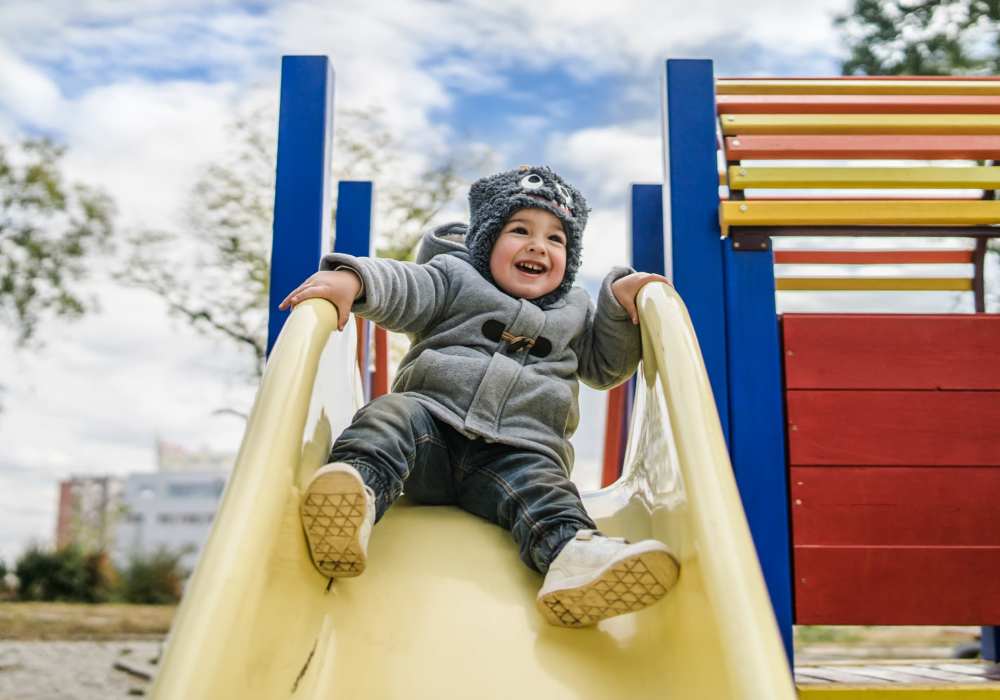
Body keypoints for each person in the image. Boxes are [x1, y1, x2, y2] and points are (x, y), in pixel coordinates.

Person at [279, 165, 679, 627]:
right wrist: (355, 280)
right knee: (390, 414)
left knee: (548, 493)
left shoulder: (576, 311)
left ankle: (572, 558)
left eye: (556, 240)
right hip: (428, 433)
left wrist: (618, 303)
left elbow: (606, 368)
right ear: (487, 240)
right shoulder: (453, 279)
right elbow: (405, 286)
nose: (538, 246)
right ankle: (358, 496)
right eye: (520, 230)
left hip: (517, 457)